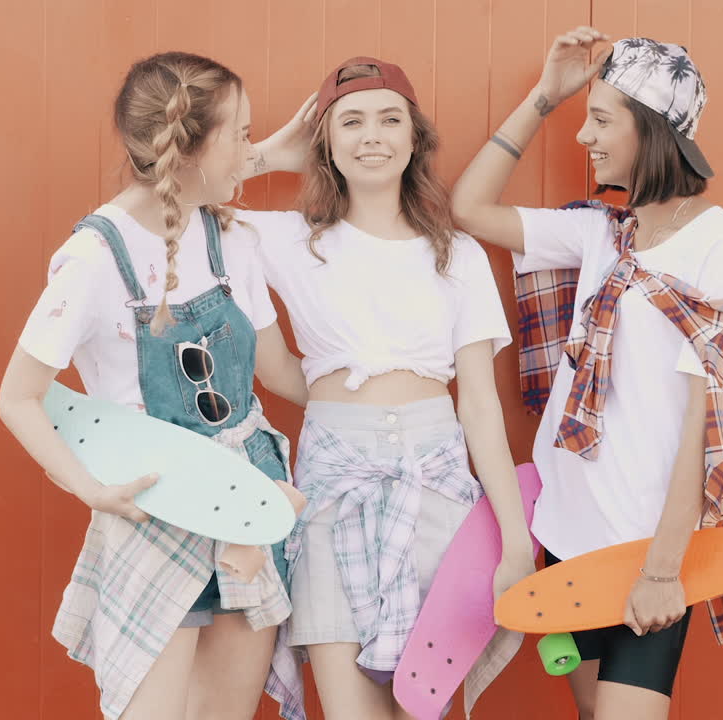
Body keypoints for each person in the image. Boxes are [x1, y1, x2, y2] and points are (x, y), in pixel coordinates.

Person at [451, 29, 723, 720]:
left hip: (649, 543)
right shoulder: (602, 232)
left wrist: (661, 568)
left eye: (600, 118)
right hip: (566, 535)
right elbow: (466, 209)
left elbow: (703, 423)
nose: (584, 137)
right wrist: (543, 96)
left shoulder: (719, 243)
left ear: (652, 130)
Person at [0, 51, 315, 720]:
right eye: (244, 135)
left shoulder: (229, 235)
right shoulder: (95, 258)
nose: (253, 152)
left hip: (247, 500)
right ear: (192, 147)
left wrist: (382, 390)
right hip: (155, 506)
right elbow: (18, 396)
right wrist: (88, 488)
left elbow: (280, 372)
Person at [236, 56, 537, 720]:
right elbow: (172, 207)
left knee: (418, 710)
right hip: (334, 484)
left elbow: (480, 408)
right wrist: (265, 157)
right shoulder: (285, 240)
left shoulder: (455, 256)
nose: (372, 136)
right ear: (327, 143)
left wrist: (516, 540)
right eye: (351, 122)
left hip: (437, 482)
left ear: (414, 137)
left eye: (388, 119)